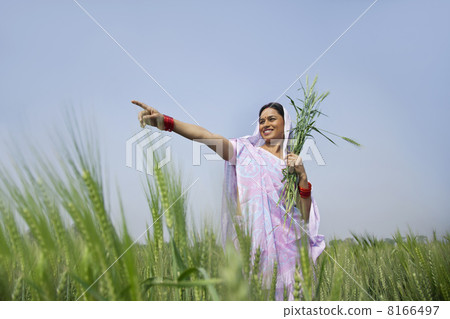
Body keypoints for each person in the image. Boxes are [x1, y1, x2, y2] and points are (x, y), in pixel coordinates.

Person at [132, 100, 325, 300]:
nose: (265, 124)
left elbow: (304, 215)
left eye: (272, 119)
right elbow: (207, 136)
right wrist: (165, 121)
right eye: (261, 121)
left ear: (286, 124)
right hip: (253, 246)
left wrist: (302, 177)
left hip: (287, 252)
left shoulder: (291, 165)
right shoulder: (243, 151)